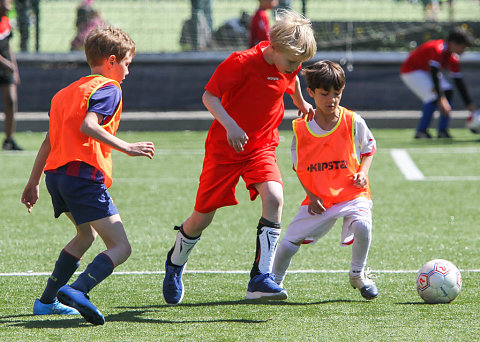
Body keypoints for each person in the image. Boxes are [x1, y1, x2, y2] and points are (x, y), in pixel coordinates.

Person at [162, 9, 317, 305]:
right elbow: (209, 96)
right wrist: (231, 125)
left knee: (274, 197)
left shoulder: (290, 65)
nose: (295, 68)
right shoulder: (241, 62)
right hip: (226, 149)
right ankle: (175, 264)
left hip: (261, 146)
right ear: (274, 47)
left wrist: (300, 101)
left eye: (299, 63)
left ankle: (260, 278)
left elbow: (291, 81)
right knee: (201, 218)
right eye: (292, 62)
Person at [21, 26, 155, 325]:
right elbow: (89, 126)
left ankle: (46, 302)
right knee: (121, 247)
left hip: (56, 177)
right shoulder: (108, 88)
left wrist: (32, 182)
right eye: (126, 64)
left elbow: (48, 141)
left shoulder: (65, 93)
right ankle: (78, 289)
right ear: (111, 61)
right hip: (82, 176)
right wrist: (128, 147)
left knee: (86, 234)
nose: (127, 72)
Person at [272, 60, 379, 300]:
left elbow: (369, 148)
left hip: (352, 193)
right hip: (320, 198)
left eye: (337, 94)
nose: (332, 99)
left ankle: (357, 275)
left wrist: (363, 172)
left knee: (362, 225)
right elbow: (299, 166)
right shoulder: (301, 128)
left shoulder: (353, 120)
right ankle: (273, 282)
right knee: (289, 243)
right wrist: (311, 196)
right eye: (325, 93)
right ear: (310, 93)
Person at [400, 27, 476, 139]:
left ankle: (442, 131)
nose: (464, 50)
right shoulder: (437, 49)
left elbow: (458, 81)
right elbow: (434, 72)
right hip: (412, 71)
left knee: (448, 91)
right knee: (432, 98)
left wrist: (468, 104)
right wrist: (441, 98)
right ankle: (421, 132)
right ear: (453, 43)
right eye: (463, 46)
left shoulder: (452, 57)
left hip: (426, 72)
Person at [0, 0, 21, 150]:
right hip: (3, 66)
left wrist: (15, 68)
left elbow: (8, 47)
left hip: (6, 69)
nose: (9, 7)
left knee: (11, 101)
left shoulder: (6, 22)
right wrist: (6, 64)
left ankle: (9, 140)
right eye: (6, 4)